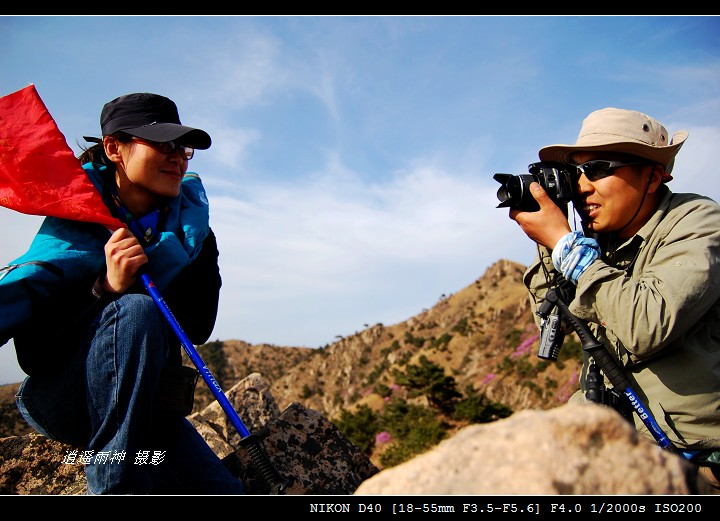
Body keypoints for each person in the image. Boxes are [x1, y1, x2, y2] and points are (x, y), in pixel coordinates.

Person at [6, 92, 246, 494]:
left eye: (183, 147)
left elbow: (198, 327)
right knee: (135, 310)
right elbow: (34, 356)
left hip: (149, 411)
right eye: (163, 144)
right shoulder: (78, 222)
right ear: (114, 148)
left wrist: (167, 261)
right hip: (64, 400)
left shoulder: (192, 233)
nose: (178, 157)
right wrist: (105, 288)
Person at [508, 107, 720, 491]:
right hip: (610, 444)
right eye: (577, 174)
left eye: (600, 169)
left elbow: (646, 327)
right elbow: (552, 325)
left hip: (692, 462)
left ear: (654, 175)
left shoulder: (699, 222)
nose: (583, 187)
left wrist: (566, 248)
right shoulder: (599, 246)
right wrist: (551, 247)